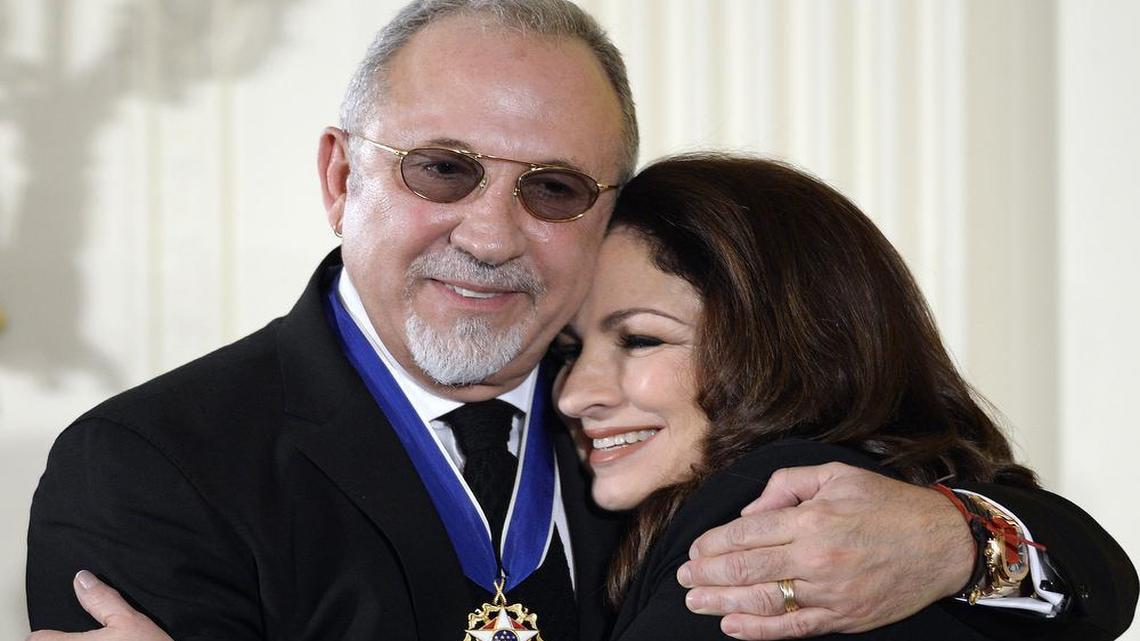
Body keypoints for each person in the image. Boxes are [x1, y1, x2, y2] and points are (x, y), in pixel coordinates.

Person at [23, 1, 1138, 640]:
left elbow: (1086, 558)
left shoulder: (686, 448)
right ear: (338, 175)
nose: (494, 232)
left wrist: (962, 539)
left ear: (606, 208)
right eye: (442, 167)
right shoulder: (151, 469)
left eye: (553, 187)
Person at [553, 153, 1139, 639]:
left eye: (640, 338)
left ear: (789, 345)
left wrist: (962, 541)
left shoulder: (776, 507)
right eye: (567, 350)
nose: (574, 394)